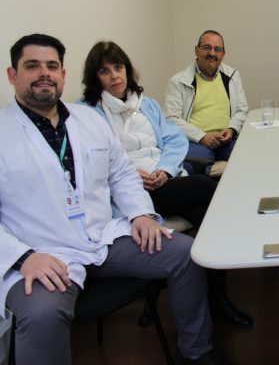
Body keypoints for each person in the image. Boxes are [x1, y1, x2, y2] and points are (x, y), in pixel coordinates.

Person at [1, 34, 228, 364]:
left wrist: (141, 215)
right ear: (13, 75)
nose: (44, 73)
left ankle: (197, 353)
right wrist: (23, 257)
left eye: (52, 66)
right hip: (43, 253)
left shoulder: (88, 121)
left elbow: (121, 174)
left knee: (186, 255)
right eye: (32, 66)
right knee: (42, 315)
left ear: (63, 73)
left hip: (103, 237)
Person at [80, 41, 253, 329]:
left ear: (127, 69)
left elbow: (174, 140)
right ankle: (248, 233)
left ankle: (217, 298)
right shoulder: (85, 114)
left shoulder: (146, 104)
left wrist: (165, 170)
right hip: (130, 195)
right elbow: (88, 161)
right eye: (104, 71)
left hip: (163, 183)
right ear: (94, 77)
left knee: (207, 221)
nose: (114, 76)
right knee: (203, 187)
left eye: (118, 67)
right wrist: (129, 174)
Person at [165, 30, 248, 165]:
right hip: (195, 142)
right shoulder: (178, 81)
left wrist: (232, 130)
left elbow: (242, 110)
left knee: (246, 152)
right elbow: (171, 119)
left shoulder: (233, 75)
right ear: (196, 50)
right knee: (196, 161)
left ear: (223, 54)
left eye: (217, 49)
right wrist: (201, 136)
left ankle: (213, 171)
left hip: (226, 141)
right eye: (207, 48)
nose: (212, 53)